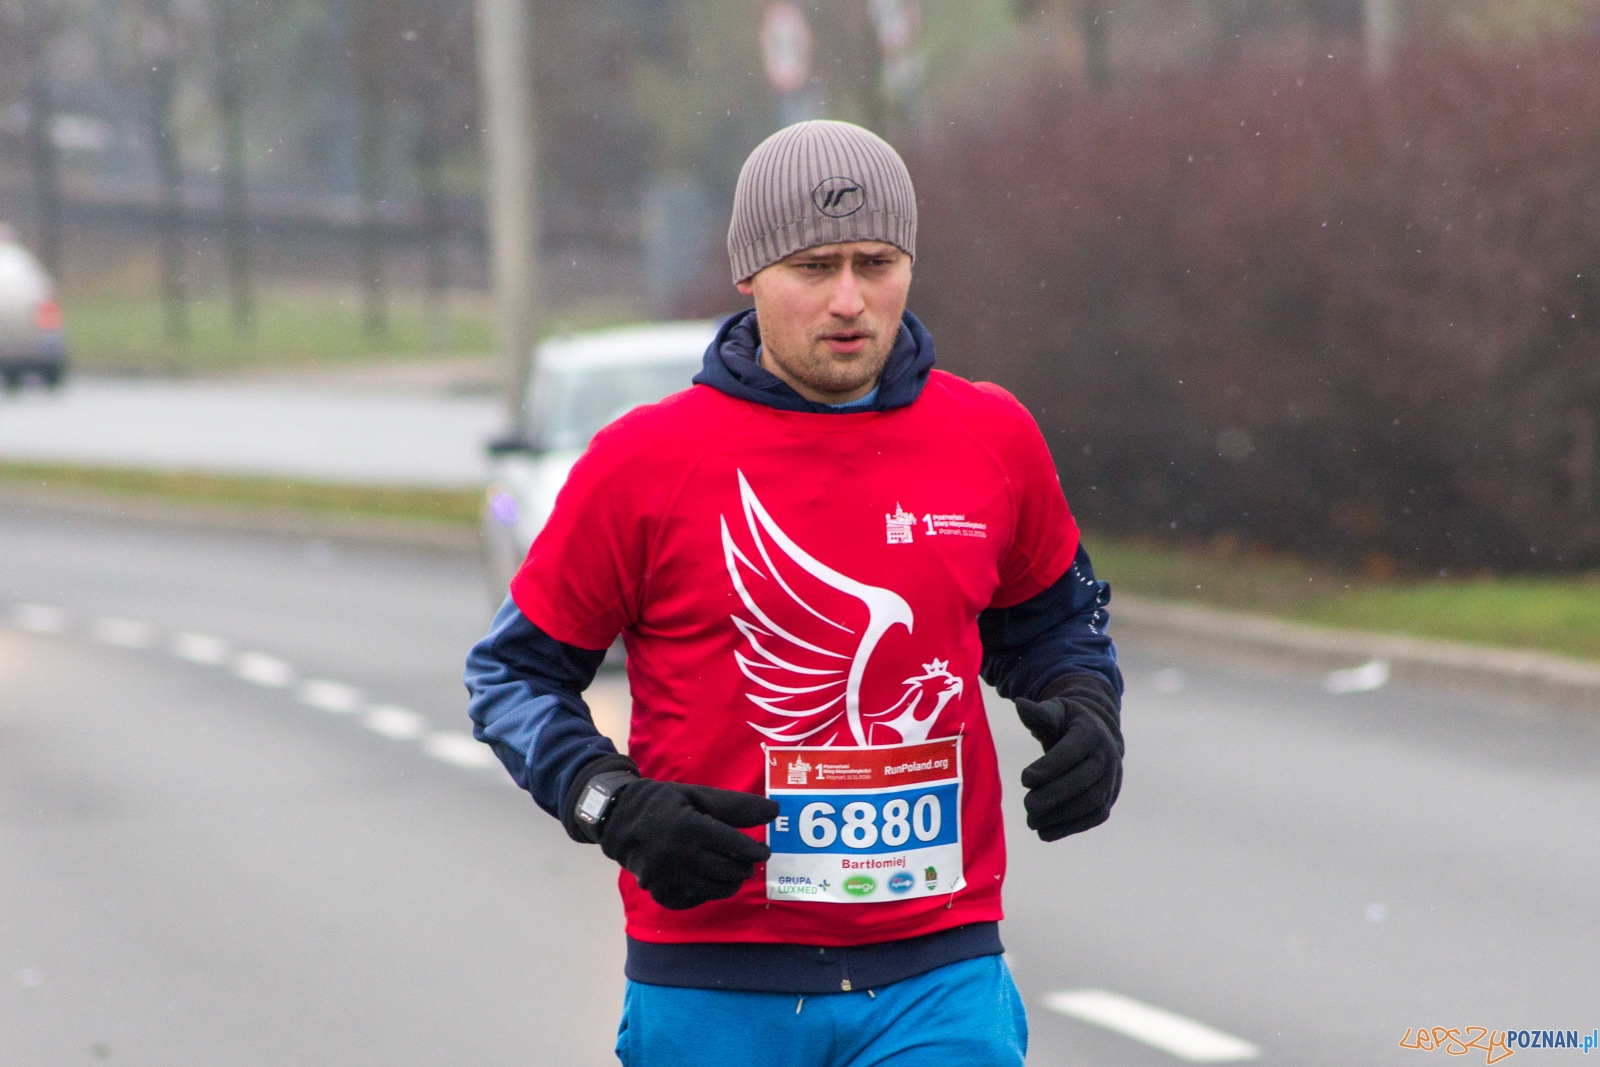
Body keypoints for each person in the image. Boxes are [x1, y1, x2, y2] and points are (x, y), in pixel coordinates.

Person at [465, 119, 1123, 1067]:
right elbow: (513, 674)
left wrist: (1092, 712)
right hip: (714, 977)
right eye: (814, 266)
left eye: (876, 261)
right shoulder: (643, 463)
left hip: (937, 974)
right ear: (751, 274)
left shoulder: (992, 437)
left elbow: (1056, 621)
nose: (850, 299)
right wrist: (610, 801)